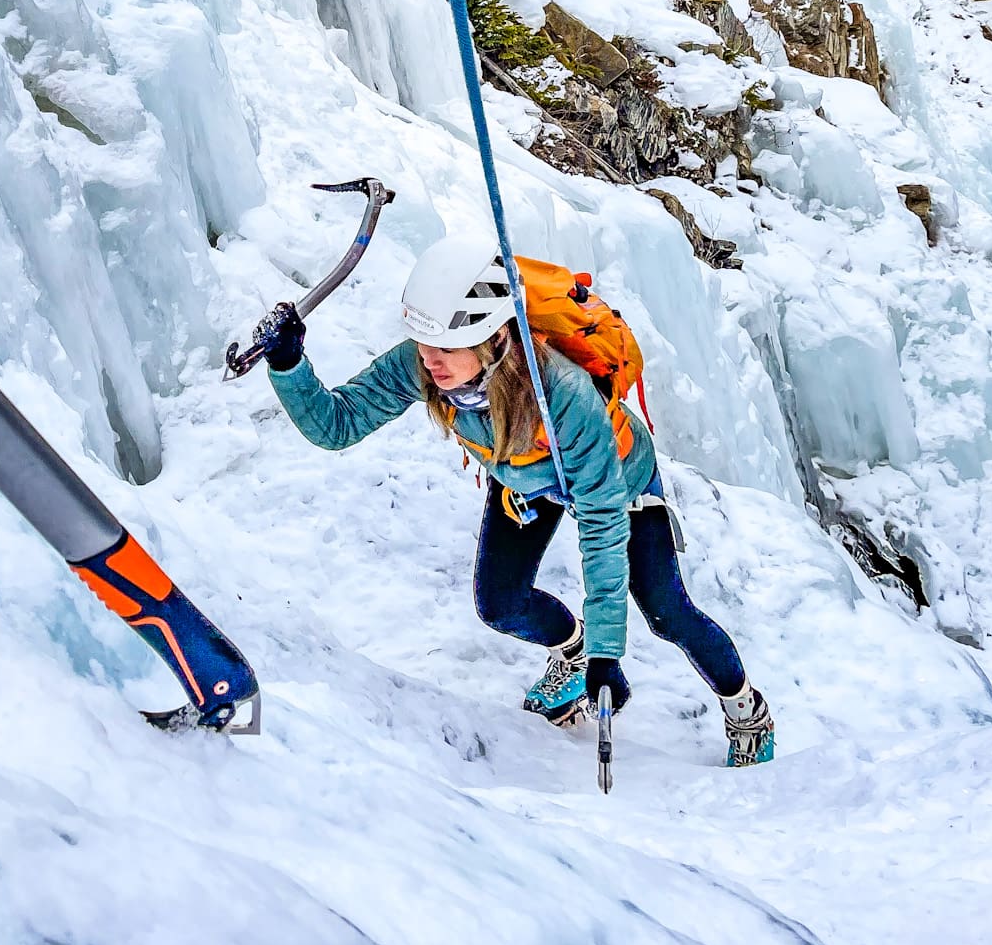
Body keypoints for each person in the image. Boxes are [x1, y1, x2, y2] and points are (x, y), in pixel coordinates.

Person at [263, 229, 775, 766]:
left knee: (666, 612)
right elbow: (337, 426)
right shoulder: (426, 365)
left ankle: (746, 709)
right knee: (500, 604)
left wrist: (609, 650)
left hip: (616, 483)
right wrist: (289, 364)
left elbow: (601, 524)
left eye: (446, 348)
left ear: (493, 340)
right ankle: (570, 652)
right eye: (423, 345)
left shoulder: (565, 396)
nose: (429, 362)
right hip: (528, 477)